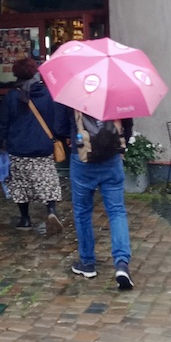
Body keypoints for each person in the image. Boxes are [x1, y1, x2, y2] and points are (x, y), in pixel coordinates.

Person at [0, 57, 69, 233]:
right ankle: (51, 211)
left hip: (18, 149)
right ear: (35, 72)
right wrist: (59, 136)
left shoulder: (11, 97)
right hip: (43, 147)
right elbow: (56, 121)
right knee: (47, 181)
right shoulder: (47, 94)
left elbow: (2, 123)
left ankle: (25, 219)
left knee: (19, 184)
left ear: (16, 73)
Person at [68, 111, 134, 290]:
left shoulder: (72, 92)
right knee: (117, 211)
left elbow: (59, 126)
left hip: (82, 157)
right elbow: (127, 126)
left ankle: (87, 263)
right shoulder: (117, 91)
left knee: (82, 211)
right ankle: (121, 264)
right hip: (111, 159)